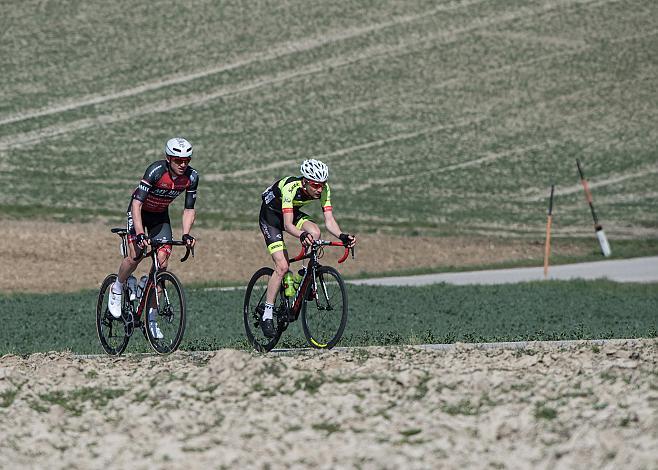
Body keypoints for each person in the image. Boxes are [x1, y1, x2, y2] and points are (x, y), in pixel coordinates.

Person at [108, 137, 199, 338]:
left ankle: (150, 318)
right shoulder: (156, 171)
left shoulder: (192, 177)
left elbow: (189, 209)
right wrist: (140, 234)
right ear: (168, 158)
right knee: (136, 255)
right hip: (139, 212)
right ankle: (117, 286)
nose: (183, 164)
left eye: (187, 160)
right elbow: (137, 204)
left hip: (160, 216)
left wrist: (186, 234)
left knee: (162, 263)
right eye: (178, 160)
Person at [258, 158, 356, 337]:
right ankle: (267, 314)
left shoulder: (324, 189)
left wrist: (342, 235)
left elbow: (329, 220)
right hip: (271, 216)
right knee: (282, 266)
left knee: (315, 232)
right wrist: (301, 235)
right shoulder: (290, 187)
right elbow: (288, 225)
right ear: (305, 182)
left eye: (322, 185)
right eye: (315, 185)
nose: (319, 189)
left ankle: (304, 276)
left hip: (291, 212)